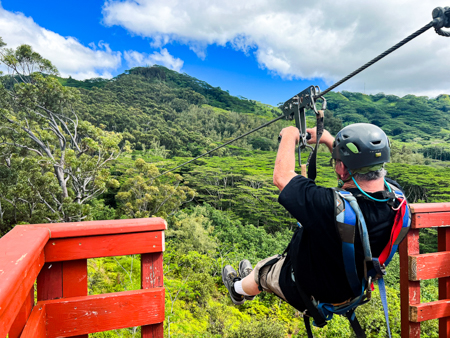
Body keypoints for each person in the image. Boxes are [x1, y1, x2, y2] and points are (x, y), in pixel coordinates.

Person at [222, 122, 406, 328]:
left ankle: (237, 289)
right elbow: (357, 175)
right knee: (273, 264)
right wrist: (328, 140)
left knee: (263, 271)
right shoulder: (395, 199)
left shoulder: (327, 207)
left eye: (336, 161)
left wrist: (290, 135)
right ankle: (248, 282)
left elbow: (281, 177)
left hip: (312, 291)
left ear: (342, 168)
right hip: (351, 287)